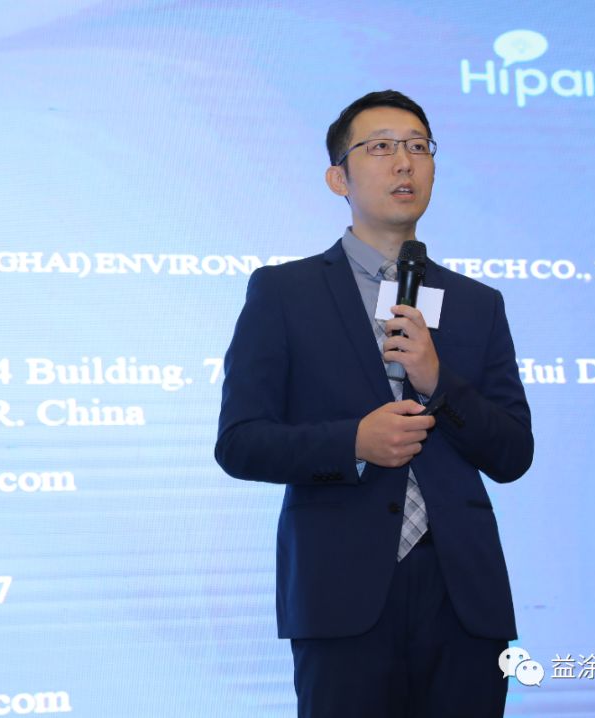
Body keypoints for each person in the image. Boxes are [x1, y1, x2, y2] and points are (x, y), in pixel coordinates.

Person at [214, 90, 534, 717]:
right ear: (339, 178)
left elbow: (513, 453)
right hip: (341, 593)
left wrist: (438, 382)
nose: (404, 162)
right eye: (381, 147)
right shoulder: (284, 292)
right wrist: (353, 443)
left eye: (418, 147)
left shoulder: (478, 303)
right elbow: (240, 441)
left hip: (463, 598)